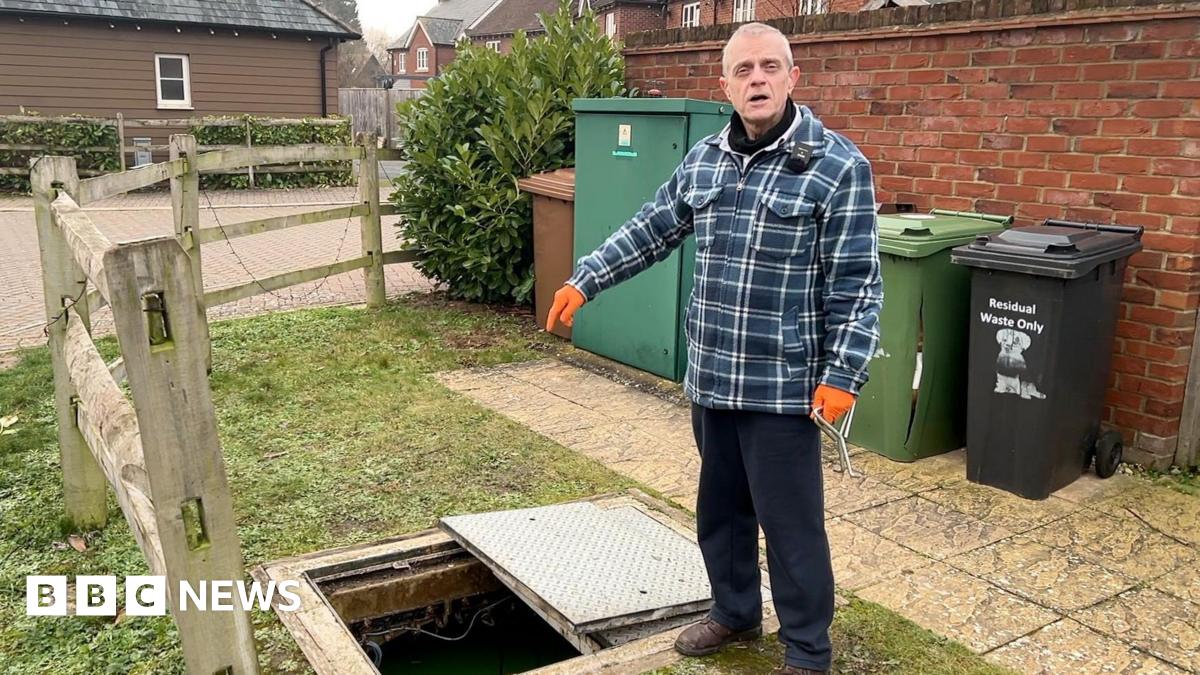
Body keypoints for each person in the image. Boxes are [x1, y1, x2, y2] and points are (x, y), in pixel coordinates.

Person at [546, 22, 881, 675]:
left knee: (790, 525)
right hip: (712, 377)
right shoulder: (705, 159)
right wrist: (586, 279)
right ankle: (734, 611)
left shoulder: (838, 166)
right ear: (724, 85)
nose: (757, 79)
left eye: (770, 67)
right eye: (743, 70)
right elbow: (652, 228)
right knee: (721, 510)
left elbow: (859, 284)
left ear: (792, 78)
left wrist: (845, 372)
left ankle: (807, 648)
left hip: (783, 386)